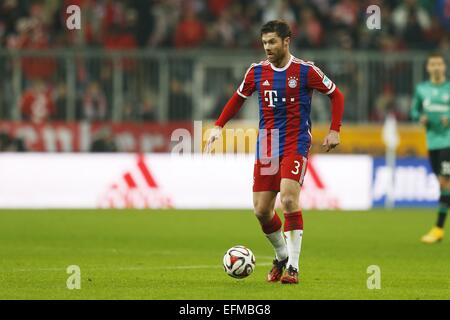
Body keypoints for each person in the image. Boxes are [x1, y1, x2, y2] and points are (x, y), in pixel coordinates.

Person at [205, 20, 344, 284]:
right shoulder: (256, 72)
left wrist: (334, 129)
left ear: (286, 41)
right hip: (267, 145)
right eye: (264, 42)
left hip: (295, 142)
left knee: (290, 200)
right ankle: (281, 255)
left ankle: (293, 267)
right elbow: (237, 99)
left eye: (272, 42)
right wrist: (218, 126)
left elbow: (337, 95)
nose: (267, 47)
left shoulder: (305, 71)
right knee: (261, 210)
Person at [411, 52, 450, 244]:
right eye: (432, 64)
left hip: (448, 142)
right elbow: (414, 110)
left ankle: (438, 228)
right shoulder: (422, 89)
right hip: (432, 142)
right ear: (428, 68)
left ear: (444, 67)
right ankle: (438, 230)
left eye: (439, 64)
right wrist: (420, 117)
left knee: (445, 183)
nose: (436, 67)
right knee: (443, 183)